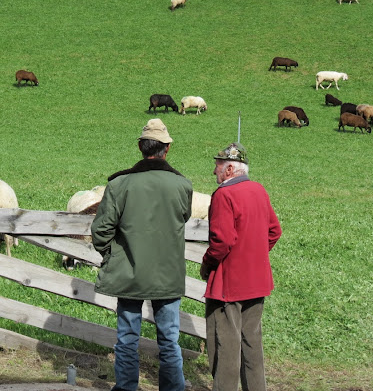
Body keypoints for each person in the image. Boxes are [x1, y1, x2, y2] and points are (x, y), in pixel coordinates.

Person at [91, 118, 193, 391]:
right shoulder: (182, 185)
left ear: (140, 147)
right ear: (167, 149)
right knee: (169, 339)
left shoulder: (119, 184)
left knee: (127, 337)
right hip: (167, 274)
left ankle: (126, 387)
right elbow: (184, 216)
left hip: (130, 272)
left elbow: (101, 229)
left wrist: (113, 254)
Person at [200, 142, 282, 391]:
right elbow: (274, 231)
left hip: (230, 283)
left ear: (230, 169)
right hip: (257, 281)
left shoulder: (224, 195)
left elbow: (222, 241)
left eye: (217, 166)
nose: (214, 171)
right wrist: (254, 254)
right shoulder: (259, 190)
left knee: (226, 344)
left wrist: (207, 264)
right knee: (252, 342)